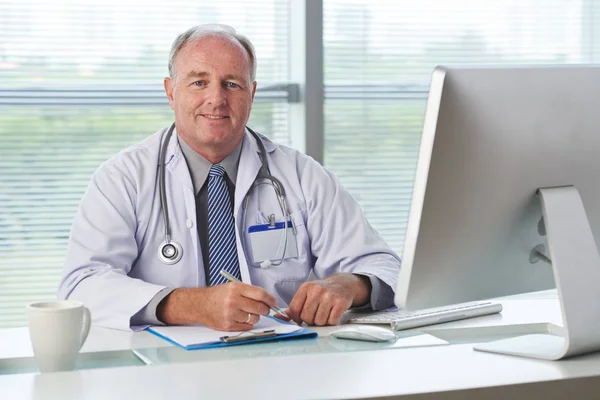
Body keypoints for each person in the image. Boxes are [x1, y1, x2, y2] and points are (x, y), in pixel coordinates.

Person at [58, 24, 401, 331]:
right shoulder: (122, 179)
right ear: (171, 91)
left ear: (251, 94)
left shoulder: (302, 176)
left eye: (232, 84)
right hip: (164, 367)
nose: (216, 99)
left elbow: (384, 265)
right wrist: (193, 304)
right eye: (199, 82)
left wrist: (348, 286)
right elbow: (81, 285)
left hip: (282, 360)